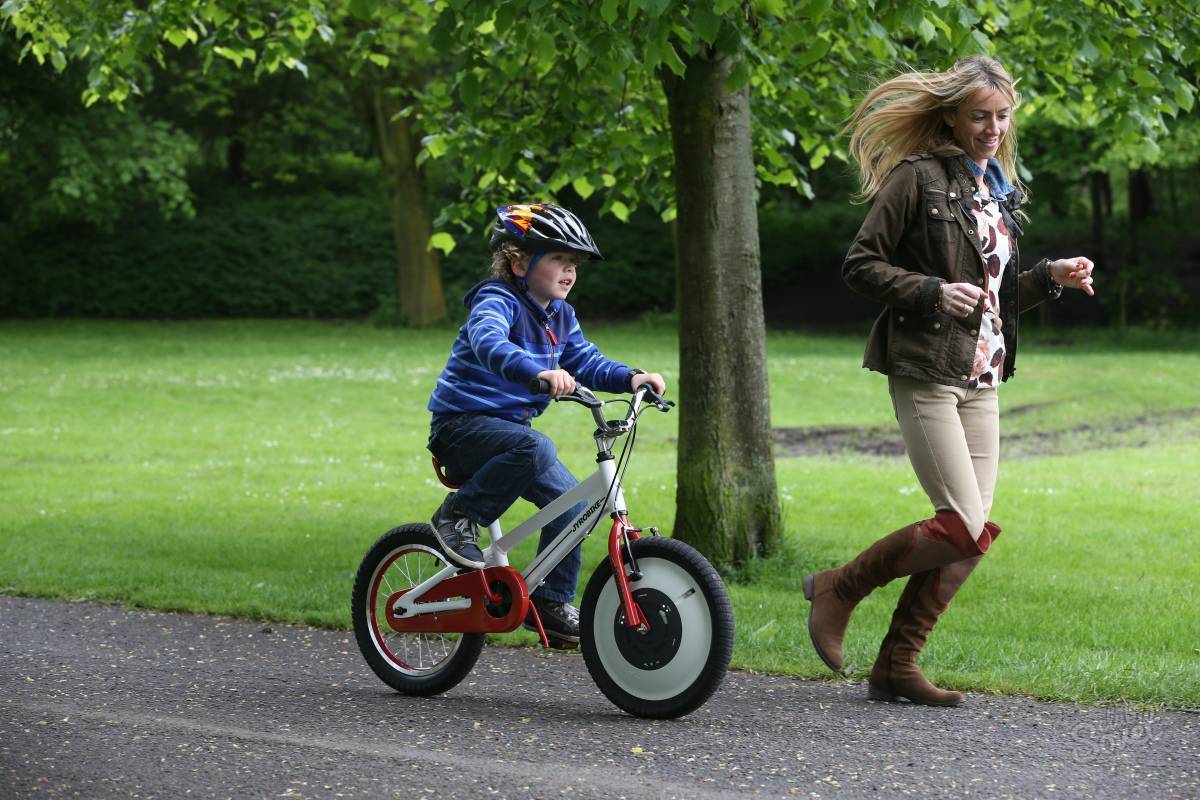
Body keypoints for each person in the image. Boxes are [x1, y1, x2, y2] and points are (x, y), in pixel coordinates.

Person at [803, 56, 1096, 705]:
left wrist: (1051, 276)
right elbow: (860, 265)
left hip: (983, 376)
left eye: (1001, 116)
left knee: (973, 532)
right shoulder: (917, 179)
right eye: (979, 116)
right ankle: (839, 588)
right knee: (962, 525)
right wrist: (931, 291)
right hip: (926, 370)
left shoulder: (999, 190)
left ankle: (896, 665)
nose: (992, 128)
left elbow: (994, 298)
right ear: (952, 116)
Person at [426, 202, 667, 646]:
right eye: (558, 259)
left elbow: (585, 360)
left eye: (574, 263)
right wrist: (535, 372)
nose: (569, 271)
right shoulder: (496, 300)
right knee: (536, 448)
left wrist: (633, 377)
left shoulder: (561, 316)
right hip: (461, 427)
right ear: (519, 261)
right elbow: (488, 342)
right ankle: (459, 515)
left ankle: (550, 601)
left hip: (510, 435)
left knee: (576, 508)